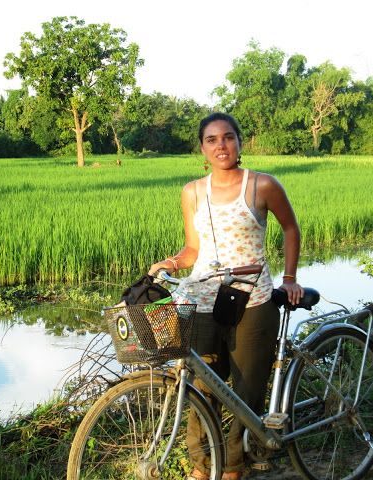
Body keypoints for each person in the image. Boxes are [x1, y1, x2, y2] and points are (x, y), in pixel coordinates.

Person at [149, 112, 304, 480]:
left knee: (247, 390)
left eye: (228, 137)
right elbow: (192, 249)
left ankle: (235, 466)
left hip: (252, 301)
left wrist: (290, 277)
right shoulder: (192, 192)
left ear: (240, 142)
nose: (222, 146)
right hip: (203, 302)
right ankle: (202, 466)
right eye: (212, 139)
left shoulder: (262, 186)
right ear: (202, 148)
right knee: (203, 388)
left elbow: (290, 228)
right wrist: (169, 263)